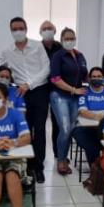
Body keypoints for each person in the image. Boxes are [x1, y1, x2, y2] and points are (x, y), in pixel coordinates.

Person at [0, 17, 51, 183]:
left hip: (38, 91)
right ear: (11, 31)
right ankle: (27, 165)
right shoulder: (8, 51)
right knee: (25, 130)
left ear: (26, 28)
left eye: (21, 28)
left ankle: (38, 167)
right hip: (20, 93)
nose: (18, 31)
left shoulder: (37, 46)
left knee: (39, 130)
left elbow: (46, 69)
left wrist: (29, 84)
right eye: (14, 29)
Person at [49, 28, 87, 176]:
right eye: (67, 38)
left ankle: (63, 156)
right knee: (64, 129)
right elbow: (55, 79)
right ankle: (61, 160)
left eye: (72, 38)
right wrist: (73, 89)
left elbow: (85, 76)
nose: (70, 41)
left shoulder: (79, 56)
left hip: (75, 97)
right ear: (62, 39)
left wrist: (100, 82)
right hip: (60, 95)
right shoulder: (58, 56)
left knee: (70, 129)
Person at [74, 67, 104, 165]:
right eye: (93, 76)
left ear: (103, 78)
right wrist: (98, 116)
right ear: (89, 79)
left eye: (99, 76)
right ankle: (96, 168)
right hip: (86, 128)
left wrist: (103, 117)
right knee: (91, 144)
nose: (96, 79)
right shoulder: (85, 92)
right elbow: (82, 111)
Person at [39, 21, 62, 164]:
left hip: (57, 88)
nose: (47, 30)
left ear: (55, 30)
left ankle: (58, 154)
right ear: (40, 32)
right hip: (40, 88)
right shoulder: (36, 47)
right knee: (40, 124)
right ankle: (39, 158)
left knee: (57, 122)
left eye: (50, 28)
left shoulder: (60, 47)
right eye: (44, 29)